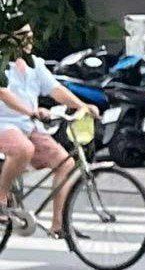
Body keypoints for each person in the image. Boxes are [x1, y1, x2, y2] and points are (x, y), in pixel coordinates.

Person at [1, 17, 95, 237]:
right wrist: (30, 111)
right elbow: (3, 93)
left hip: (28, 125)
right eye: (22, 36)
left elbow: (55, 89)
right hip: (4, 123)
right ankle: (1, 198)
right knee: (24, 149)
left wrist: (82, 106)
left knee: (65, 163)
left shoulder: (35, 64)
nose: (28, 41)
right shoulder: (1, 64)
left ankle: (58, 224)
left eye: (30, 36)